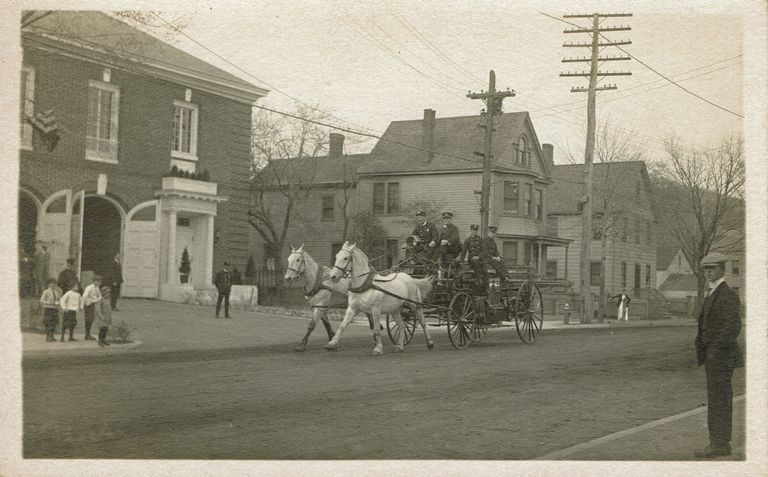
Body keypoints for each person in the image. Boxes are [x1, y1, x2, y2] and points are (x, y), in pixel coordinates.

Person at [694, 252, 743, 458]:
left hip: (721, 357)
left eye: (712, 268)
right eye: (706, 269)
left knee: (719, 400)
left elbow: (732, 328)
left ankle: (720, 444)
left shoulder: (727, 295)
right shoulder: (713, 292)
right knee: (716, 399)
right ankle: (718, 442)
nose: (708, 272)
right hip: (714, 357)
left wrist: (714, 352)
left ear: (722, 269)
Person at [458, 224, 487, 289]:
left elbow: (484, 251)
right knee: (475, 261)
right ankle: (479, 278)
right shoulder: (467, 240)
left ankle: (486, 286)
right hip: (471, 258)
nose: (474, 232)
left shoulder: (481, 240)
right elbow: (464, 251)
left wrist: (479, 256)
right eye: (473, 230)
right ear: (471, 231)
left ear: (477, 231)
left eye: (476, 230)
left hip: (480, 258)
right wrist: (461, 260)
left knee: (485, 269)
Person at [39, 278, 61, 342]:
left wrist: (58, 302)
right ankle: (48, 337)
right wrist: (48, 302)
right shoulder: (46, 292)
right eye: (51, 283)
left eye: (54, 284)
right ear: (48, 284)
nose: (52, 285)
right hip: (48, 308)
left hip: (55, 309)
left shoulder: (56, 292)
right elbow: (42, 300)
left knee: (54, 323)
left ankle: (52, 335)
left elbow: (59, 299)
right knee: (48, 322)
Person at [82, 275, 103, 340]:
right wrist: (87, 302)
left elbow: (100, 296)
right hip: (88, 305)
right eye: (98, 281)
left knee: (91, 319)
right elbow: (84, 296)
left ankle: (88, 334)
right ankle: (87, 334)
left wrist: (97, 300)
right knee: (88, 319)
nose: (100, 282)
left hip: (93, 304)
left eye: (100, 281)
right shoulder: (89, 287)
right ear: (94, 281)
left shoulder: (97, 288)